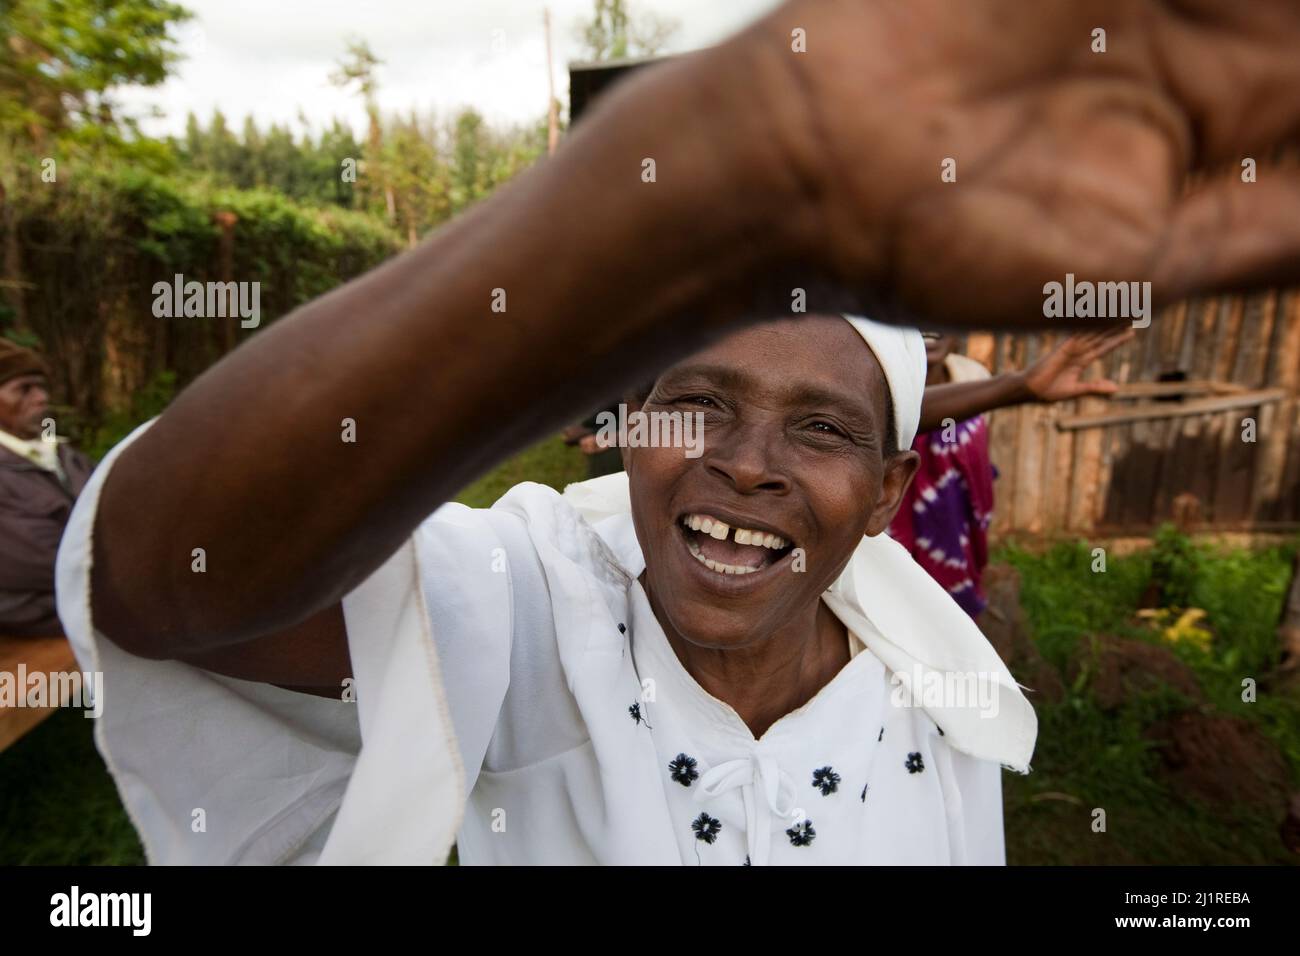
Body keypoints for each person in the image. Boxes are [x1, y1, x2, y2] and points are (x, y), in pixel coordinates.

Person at [55, 0, 1300, 864]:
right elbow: (161, 582)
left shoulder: (935, 695)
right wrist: (712, 167)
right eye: (697, 402)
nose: (746, 462)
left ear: (884, 495)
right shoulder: (532, 610)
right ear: (624, 426)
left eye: (819, 429)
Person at [890, 332, 1130, 617]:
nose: (928, 327)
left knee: (949, 626)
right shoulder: (872, 374)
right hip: (889, 540)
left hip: (958, 538)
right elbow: (893, 414)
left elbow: (973, 470)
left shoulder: (973, 375)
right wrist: (1020, 386)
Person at [0, 339, 93, 637]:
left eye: (42, 387)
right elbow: (44, 560)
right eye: (24, 389)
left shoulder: (69, 459)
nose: (41, 398)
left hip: (93, 618)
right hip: (37, 643)